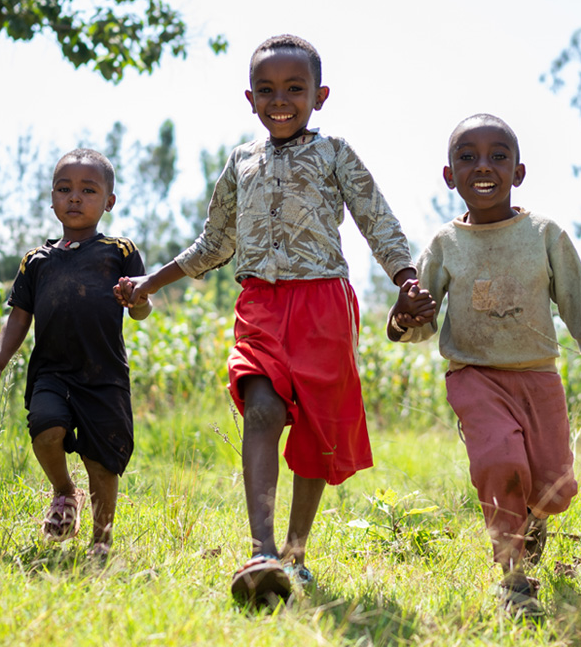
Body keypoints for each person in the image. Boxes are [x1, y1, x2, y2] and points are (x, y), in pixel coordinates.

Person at [114, 34, 432, 606]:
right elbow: (214, 242)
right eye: (267, 90)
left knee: (313, 429)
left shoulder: (335, 151)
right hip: (259, 303)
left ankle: (294, 555)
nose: (279, 100)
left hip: (323, 306)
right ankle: (260, 552)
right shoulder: (240, 162)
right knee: (260, 407)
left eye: (294, 89)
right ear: (250, 97)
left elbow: (376, 219)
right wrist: (147, 282)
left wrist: (406, 280)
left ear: (319, 94)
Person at [389, 113, 581, 617]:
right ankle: (512, 580)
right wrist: (401, 318)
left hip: (538, 376)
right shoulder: (444, 244)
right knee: (500, 463)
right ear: (450, 175)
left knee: (552, 485)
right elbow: (419, 321)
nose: (484, 166)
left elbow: (578, 308)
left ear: (518, 172)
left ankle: (534, 523)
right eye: (468, 156)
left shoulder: (544, 234)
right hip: (474, 376)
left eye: (499, 156)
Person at [0, 148, 150, 557]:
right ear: (52, 199)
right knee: (46, 430)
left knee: (101, 461)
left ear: (108, 202)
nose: (74, 198)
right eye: (64, 189)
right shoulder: (37, 261)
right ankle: (65, 491)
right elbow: (19, 317)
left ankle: (101, 541)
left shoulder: (119, 252)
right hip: (53, 372)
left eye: (88, 190)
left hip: (104, 375)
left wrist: (135, 299)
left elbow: (142, 308)